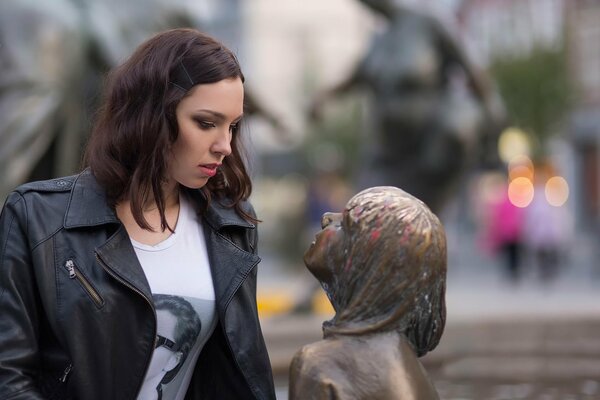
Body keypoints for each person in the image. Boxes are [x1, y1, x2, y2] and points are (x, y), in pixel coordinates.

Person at [0, 28, 275, 399]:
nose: (224, 145)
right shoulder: (39, 217)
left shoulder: (232, 225)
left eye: (233, 126)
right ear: (151, 113)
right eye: (206, 123)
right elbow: (9, 375)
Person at [310, 0, 505, 214]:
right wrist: (322, 98)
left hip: (428, 144)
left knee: (422, 217)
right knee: (368, 215)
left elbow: (470, 70)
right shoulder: (379, 41)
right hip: (389, 150)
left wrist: (492, 114)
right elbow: (353, 78)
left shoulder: (427, 24)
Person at [289, 186, 447, 399]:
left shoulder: (318, 365)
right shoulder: (415, 371)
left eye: (346, 224)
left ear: (369, 260)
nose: (327, 218)